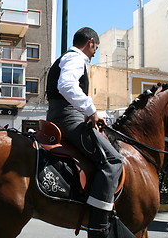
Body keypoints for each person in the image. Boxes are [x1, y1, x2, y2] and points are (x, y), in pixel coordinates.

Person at [46, 27, 123, 238]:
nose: (95, 51)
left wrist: (88, 115)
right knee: (113, 161)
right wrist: (91, 111)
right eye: (96, 47)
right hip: (68, 120)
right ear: (90, 42)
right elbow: (67, 85)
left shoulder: (64, 58)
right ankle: (98, 225)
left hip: (61, 116)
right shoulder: (76, 58)